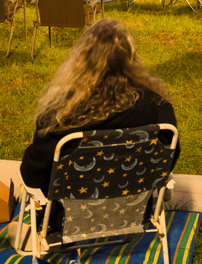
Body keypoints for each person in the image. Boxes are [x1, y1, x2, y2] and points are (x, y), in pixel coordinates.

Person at [19, 19, 177, 195]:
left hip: (68, 217)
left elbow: (32, 176)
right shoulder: (156, 107)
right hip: (135, 212)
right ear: (130, 59)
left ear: (81, 60)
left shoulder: (59, 116)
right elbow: (168, 160)